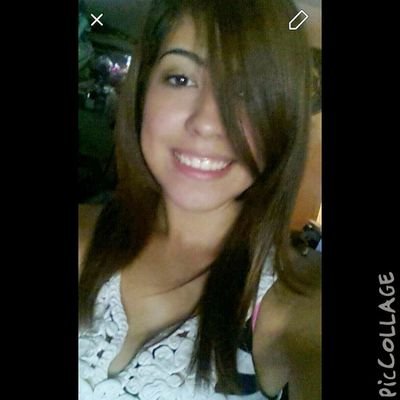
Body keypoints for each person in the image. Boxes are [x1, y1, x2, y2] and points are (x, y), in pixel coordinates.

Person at [79, 0, 321, 399]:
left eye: (246, 90)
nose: (207, 122)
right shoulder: (85, 234)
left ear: (282, 121)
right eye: (180, 79)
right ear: (143, 91)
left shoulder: (292, 310)